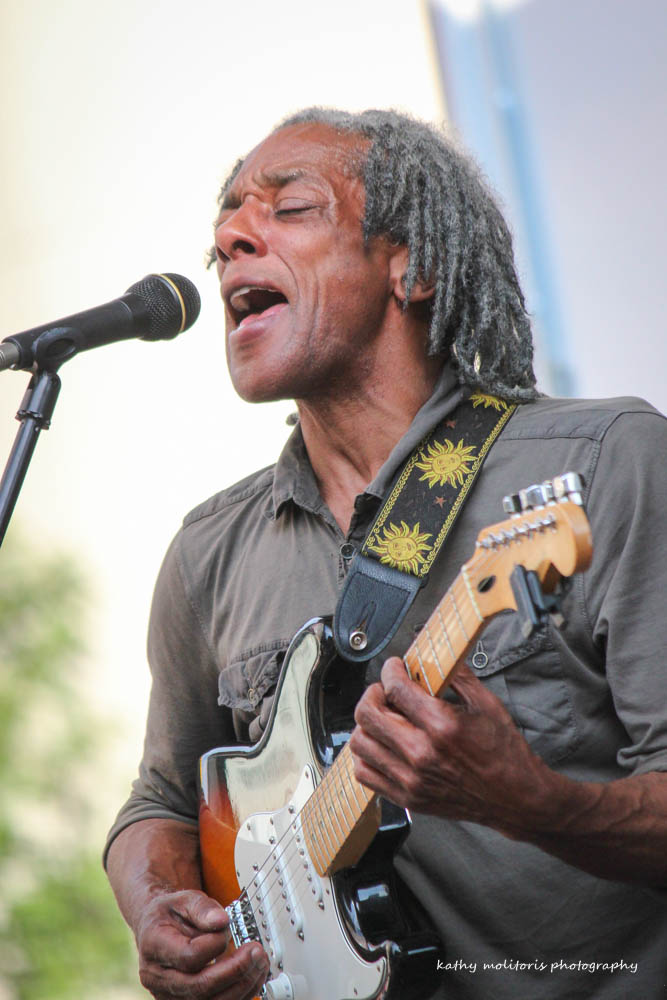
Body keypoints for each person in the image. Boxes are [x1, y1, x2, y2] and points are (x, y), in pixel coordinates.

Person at [104, 108, 667, 1000]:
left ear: (414, 267)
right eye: (226, 225)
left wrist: (533, 803)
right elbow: (162, 802)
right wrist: (158, 910)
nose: (231, 236)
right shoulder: (207, 552)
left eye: (289, 208)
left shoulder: (604, 463)